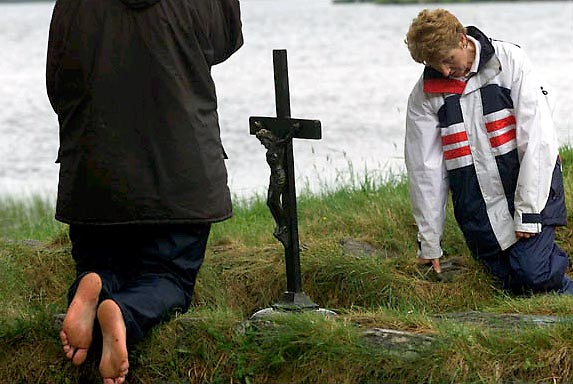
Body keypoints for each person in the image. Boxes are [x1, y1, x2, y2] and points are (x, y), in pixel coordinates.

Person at [46, 0, 243, 382]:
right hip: (180, 181)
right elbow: (227, 40)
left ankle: (96, 283)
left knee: (102, 259)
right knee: (169, 276)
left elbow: (59, 83)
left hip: (95, 177)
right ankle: (124, 311)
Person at [404, 9, 572, 295]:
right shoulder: (424, 96)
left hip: (532, 186)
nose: (443, 71)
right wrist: (429, 241)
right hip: (477, 207)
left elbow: (537, 140)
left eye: (447, 60)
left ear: (462, 40)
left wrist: (528, 212)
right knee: (509, 286)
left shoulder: (509, 61)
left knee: (534, 273)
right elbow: (425, 171)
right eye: (433, 64)